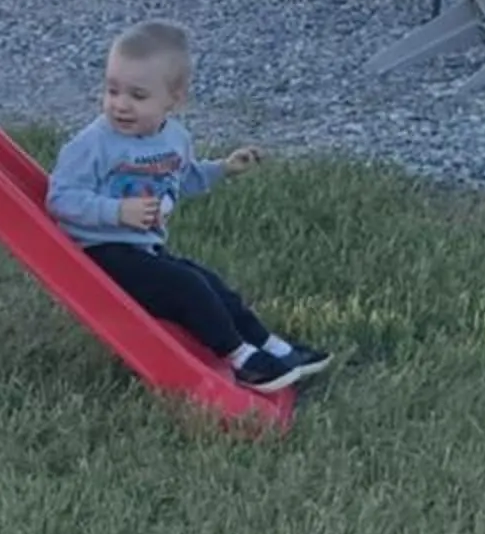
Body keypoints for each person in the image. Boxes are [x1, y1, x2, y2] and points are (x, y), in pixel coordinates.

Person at [46, 24, 332, 393]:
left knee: (211, 284)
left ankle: (273, 347)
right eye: (112, 89)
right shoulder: (93, 144)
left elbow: (184, 179)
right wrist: (117, 212)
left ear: (174, 100)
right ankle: (242, 359)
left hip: (144, 250)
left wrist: (223, 169)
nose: (120, 104)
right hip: (100, 254)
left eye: (138, 95)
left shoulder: (175, 139)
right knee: (187, 286)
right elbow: (60, 198)